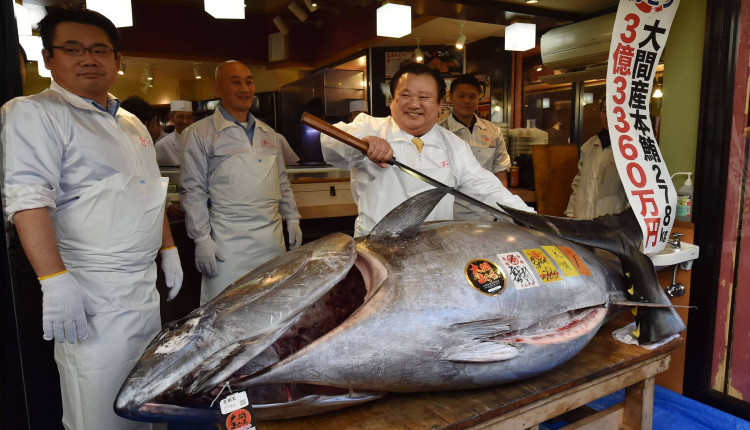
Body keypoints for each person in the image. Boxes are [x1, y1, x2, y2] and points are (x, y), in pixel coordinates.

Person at [0, 6, 183, 430]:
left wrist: (168, 248)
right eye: (72, 49)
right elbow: (28, 200)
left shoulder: (131, 120)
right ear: (48, 57)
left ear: (118, 61)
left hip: (142, 290)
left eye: (100, 50)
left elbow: (149, 191)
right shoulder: (31, 113)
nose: (88, 58)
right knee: (99, 411)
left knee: (146, 404)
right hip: (88, 293)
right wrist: (54, 281)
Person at [321, 62, 532, 237]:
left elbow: (488, 189)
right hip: (374, 249)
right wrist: (363, 144)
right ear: (392, 100)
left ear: (441, 104)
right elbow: (330, 144)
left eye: (423, 97)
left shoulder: (454, 145)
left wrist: (532, 220)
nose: (414, 104)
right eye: (404, 95)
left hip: (433, 249)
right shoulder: (370, 127)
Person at [181, 60, 303, 305]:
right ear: (218, 87)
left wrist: (292, 218)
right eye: (235, 81)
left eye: (249, 81)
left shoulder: (269, 133)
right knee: (226, 309)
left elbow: (281, 180)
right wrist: (202, 239)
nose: (245, 88)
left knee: (270, 306)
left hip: (271, 238)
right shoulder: (198, 133)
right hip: (227, 241)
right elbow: (192, 190)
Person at [439, 74, 512, 220]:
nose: (467, 101)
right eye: (461, 96)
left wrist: (502, 206)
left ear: (479, 98)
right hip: (452, 211)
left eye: (472, 96)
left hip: (488, 211)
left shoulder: (494, 131)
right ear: (450, 98)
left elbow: (500, 170)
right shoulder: (439, 131)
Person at [565, 98, 629, 219]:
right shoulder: (589, 145)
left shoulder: (628, 150)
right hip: (582, 218)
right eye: (604, 111)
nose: (607, 116)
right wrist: (570, 212)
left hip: (611, 222)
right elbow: (578, 183)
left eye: (614, 111)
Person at [155, 99, 194, 166]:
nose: (185, 121)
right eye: (180, 117)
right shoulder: (162, 145)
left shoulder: (202, 140)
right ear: (171, 118)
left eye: (189, 117)